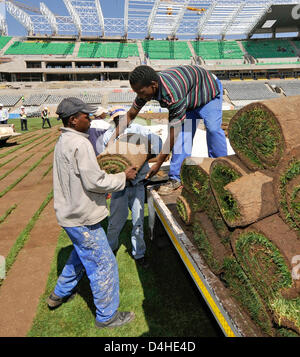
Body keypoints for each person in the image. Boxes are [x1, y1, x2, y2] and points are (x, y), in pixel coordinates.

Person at [47, 97, 137, 329]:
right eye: (86, 116)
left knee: (80, 255)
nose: (90, 119)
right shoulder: (80, 143)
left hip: (70, 214)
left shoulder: (64, 140)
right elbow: (94, 181)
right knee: (103, 264)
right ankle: (107, 316)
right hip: (81, 217)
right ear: (74, 120)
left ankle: (58, 294)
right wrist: (121, 177)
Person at [108, 65, 227, 195]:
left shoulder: (172, 93)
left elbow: (172, 134)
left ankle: (222, 170)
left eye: (141, 92)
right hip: (189, 100)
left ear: (153, 85)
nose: (139, 96)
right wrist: (112, 139)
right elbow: (130, 115)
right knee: (183, 137)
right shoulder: (145, 89)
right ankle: (176, 178)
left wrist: (158, 163)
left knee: (213, 129)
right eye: (137, 92)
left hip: (208, 93)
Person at [103, 107, 162, 268]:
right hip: (119, 187)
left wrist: (148, 153)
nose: (120, 121)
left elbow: (157, 143)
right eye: (117, 119)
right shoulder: (108, 136)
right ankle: (110, 250)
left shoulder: (139, 130)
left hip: (137, 185)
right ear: (113, 120)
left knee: (137, 222)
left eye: (122, 117)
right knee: (115, 223)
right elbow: (106, 160)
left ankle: (139, 254)